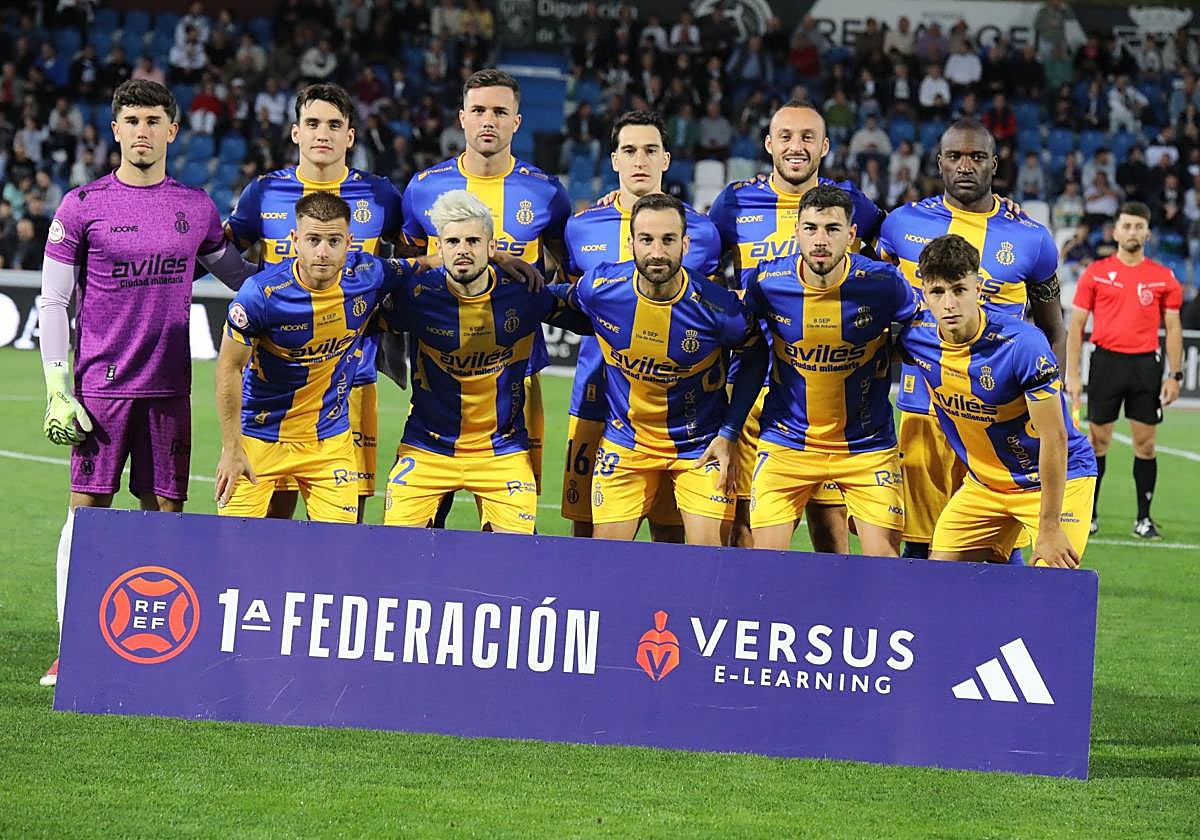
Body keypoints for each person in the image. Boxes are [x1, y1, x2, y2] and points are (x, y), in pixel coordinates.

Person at [36, 79, 253, 687]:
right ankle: (72, 645)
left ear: (173, 130)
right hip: (101, 391)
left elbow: (242, 279)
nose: (141, 131)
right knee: (89, 518)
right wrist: (59, 387)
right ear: (114, 129)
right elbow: (53, 303)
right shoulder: (81, 205)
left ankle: (156, 643)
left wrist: (307, 279)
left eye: (153, 120)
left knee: (166, 517)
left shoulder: (197, 207)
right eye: (130, 120)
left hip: (168, 391)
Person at [877, 118, 1063, 560]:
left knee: (1000, 547)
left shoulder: (1030, 237)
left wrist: (1055, 394)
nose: (965, 166)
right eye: (956, 156)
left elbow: (1053, 327)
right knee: (922, 544)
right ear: (939, 162)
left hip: (1001, 418)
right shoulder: (899, 225)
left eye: (977, 157)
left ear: (994, 164)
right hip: (924, 409)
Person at [708, 100, 886, 550]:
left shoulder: (852, 205)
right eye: (785, 136)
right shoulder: (733, 202)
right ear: (769, 144)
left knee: (829, 528)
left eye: (808, 137)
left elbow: (891, 258)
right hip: (752, 380)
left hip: (826, 386)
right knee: (745, 524)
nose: (796, 146)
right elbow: (705, 277)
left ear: (824, 146)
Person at [225, 83, 404, 524]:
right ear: (295, 133)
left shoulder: (381, 195)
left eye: (334, 124)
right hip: (276, 382)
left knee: (345, 521)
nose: (322, 133)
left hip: (351, 379)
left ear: (350, 136)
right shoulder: (264, 192)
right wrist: (259, 288)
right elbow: (226, 253)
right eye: (312, 123)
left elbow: (404, 266)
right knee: (272, 516)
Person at [401, 69, 571, 526]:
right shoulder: (423, 188)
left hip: (516, 379)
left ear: (517, 121)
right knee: (418, 535)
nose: (488, 120)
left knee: (516, 532)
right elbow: (408, 275)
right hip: (437, 378)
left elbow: (568, 273)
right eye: (478, 111)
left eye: (500, 111)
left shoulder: (547, 192)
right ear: (462, 118)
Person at [556, 193, 766, 546]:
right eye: (647, 239)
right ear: (630, 243)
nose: (657, 252)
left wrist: (729, 433)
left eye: (668, 240)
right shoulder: (601, 287)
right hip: (626, 444)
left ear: (685, 243)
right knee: (606, 563)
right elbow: (555, 302)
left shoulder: (719, 309)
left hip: (699, 447)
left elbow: (756, 354)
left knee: (708, 564)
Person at [380, 191, 589, 533]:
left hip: (501, 452)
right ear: (440, 248)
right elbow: (355, 289)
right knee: (398, 556)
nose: (462, 249)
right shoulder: (415, 296)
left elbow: (591, 312)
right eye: (453, 241)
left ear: (492, 248)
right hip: (427, 448)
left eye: (473, 240)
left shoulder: (524, 292)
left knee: (513, 569)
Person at [215, 193, 428, 521]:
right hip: (258, 439)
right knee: (233, 553)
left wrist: (498, 260)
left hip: (328, 442)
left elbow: (424, 263)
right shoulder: (260, 295)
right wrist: (231, 449)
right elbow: (229, 368)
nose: (323, 252)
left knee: (337, 555)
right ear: (295, 240)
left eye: (333, 241)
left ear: (349, 242)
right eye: (313, 240)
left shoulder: (368, 274)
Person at [561, 110, 722, 542]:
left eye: (650, 150)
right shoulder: (581, 226)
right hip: (597, 397)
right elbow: (574, 303)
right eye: (629, 150)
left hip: (677, 409)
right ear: (613, 159)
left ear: (666, 159)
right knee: (588, 530)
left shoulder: (701, 231)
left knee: (669, 536)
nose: (640, 160)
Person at [900, 234, 1097, 567]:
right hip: (984, 486)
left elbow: (1056, 436)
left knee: (1050, 584)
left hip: (1052, 482)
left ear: (978, 289)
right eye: (938, 292)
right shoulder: (916, 339)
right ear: (924, 295)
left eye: (959, 290)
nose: (949, 304)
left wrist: (1049, 527)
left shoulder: (1023, 345)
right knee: (937, 582)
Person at [744, 185, 918, 556]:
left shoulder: (883, 284)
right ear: (796, 232)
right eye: (810, 229)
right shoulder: (766, 282)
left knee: (884, 569)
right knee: (761, 567)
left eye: (832, 229)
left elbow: (920, 332)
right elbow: (745, 345)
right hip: (787, 442)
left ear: (852, 235)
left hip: (866, 447)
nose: (820, 239)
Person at [1066, 202, 1184, 539]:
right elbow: (1076, 326)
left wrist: (1175, 375)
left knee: (1145, 445)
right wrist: (1072, 374)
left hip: (1146, 366)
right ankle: (1089, 515)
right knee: (1097, 441)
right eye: (1126, 226)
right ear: (1115, 232)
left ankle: (1143, 519)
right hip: (1106, 363)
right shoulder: (1096, 272)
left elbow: (1173, 329)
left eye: (1138, 226)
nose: (1132, 232)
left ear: (1147, 232)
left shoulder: (1163, 278)